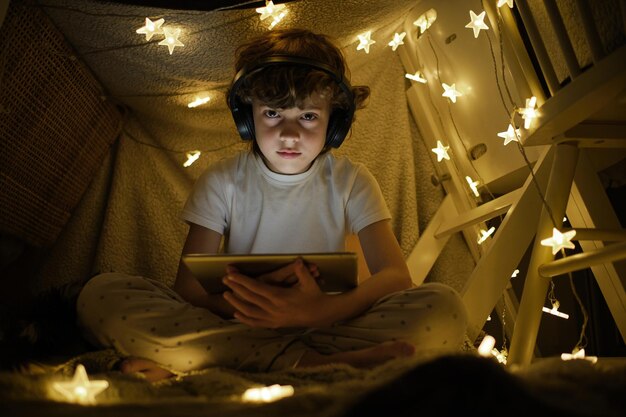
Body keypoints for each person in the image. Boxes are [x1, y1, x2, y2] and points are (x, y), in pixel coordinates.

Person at [76, 28, 467, 382]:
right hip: (238, 326)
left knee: (442, 308)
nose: (289, 133)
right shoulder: (221, 181)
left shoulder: (353, 181)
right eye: (273, 113)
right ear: (248, 118)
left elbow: (395, 278)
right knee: (101, 295)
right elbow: (189, 291)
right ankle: (311, 367)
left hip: (329, 326)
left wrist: (312, 313)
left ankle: (235, 366)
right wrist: (256, 308)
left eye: (309, 116)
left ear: (334, 123)